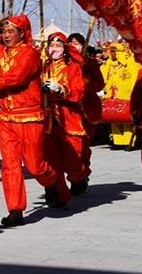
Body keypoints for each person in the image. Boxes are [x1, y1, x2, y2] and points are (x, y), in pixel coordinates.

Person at [0, 15, 67, 228]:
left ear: (22, 33)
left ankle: (51, 182)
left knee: (35, 165)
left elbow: (17, 77)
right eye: (3, 32)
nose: (6, 35)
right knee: (10, 166)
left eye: (10, 31)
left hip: (31, 116)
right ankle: (15, 209)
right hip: (5, 117)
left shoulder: (31, 54)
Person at [42, 32, 90, 196]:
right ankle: (56, 191)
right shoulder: (43, 66)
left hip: (68, 117)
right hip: (48, 119)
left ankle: (79, 177)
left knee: (72, 158)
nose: (54, 49)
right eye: (51, 45)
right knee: (51, 158)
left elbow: (78, 92)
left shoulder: (72, 67)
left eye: (58, 45)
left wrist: (62, 89)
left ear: (64, 48)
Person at [67, 33, 105, 172]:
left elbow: (100, 84)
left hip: (87, 109)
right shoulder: (63, 62)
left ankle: (82, 171)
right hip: (69, 109)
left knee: (83, 144)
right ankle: (76, 173)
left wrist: (85, 83)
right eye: (71, 43)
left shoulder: (90, 63)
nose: (73, 46)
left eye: (77, 43)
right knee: (69, 145)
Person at [100, 42, 141, 147]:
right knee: (113, 118)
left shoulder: (131, 63)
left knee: (127, 119)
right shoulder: (109, 64)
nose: (112, 53)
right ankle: (118, 141)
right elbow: (103, 76)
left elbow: (134, 79)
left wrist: (132, 93)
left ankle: (129, 141)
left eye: (115, 51)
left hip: (126, 94)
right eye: (112, 51)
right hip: (111, 94)